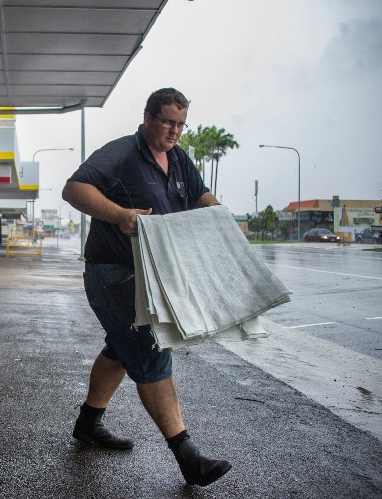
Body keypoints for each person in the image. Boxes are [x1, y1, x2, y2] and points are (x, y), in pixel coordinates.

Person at [61, 87, 231, 487]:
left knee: (121, 348)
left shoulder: (177, 158)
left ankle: (88, 424)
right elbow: (74, 189)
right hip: (113, 273)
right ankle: (188, 457)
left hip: (151, 275)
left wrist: (216, 211)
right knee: (152, 351)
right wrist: (119, 215)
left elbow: (199, 193)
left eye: (180, 124)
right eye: (168, 122)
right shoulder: (121, 152)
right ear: (148, 117)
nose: (174, 131)